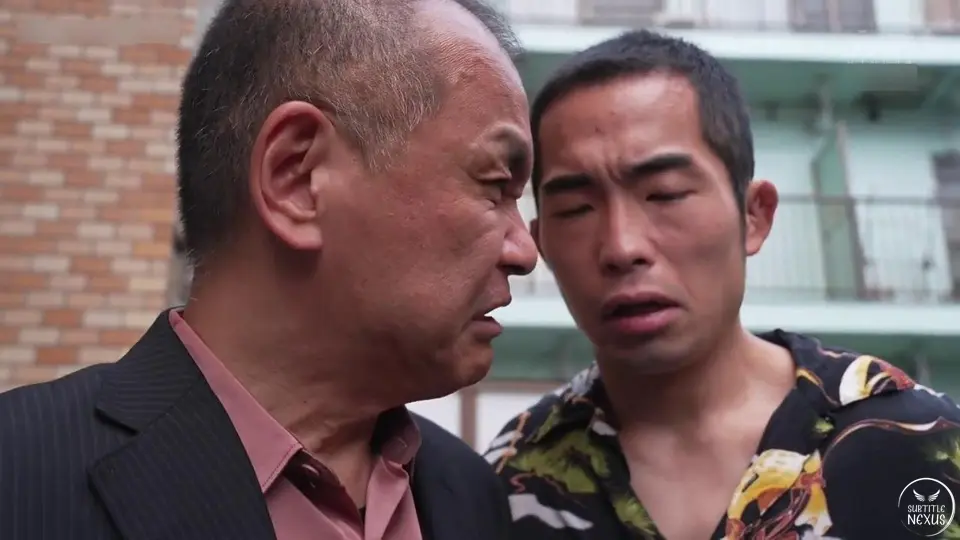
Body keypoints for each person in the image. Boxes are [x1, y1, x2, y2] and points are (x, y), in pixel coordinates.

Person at [0, 0, 536, 538]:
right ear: (297, 178)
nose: (525, 252)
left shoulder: (471, 494)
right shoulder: (21, 478)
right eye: (495, 186)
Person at [484, 29, 960, 540]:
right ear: (542, 243)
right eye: (577, 209)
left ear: (754, 216)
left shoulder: (916, 440)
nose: (621, 247)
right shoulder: (513, 482)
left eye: (665, 194)